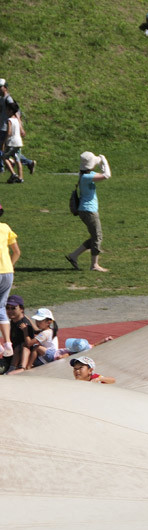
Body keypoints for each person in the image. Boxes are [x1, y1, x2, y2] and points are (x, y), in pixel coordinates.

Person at [65, 151, 111, 272]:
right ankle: (94, 265)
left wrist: (101, 164)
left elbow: (102, 174)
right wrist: (104, 162)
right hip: (88, 211)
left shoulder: (86, 174)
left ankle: (73, 255)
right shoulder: (86, 177)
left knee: (95, 236)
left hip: (87, 210)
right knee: (97, 237)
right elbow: (107, 176)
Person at [0, 80, 36, 177]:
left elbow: (16, 112)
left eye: (0, 87)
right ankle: (28, 162)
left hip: (5, 127)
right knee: (10, 150)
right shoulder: (2, 98)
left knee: (5, 149)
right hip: (2, 126)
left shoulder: (9, 99)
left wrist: (20, 127)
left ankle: (3, 166)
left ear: (5, 87)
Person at [0, 212, 20, 359]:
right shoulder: (5, 227)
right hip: (7, 272)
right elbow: (17, 252)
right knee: (1, 307)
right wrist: (10, 266)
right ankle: (7, 343)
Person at [1, 295, 33, 373]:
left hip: (17, 362)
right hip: (10, 358)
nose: (9, 310)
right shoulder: (13, 321)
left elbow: (27, 346)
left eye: (13, 308)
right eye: (7, 308)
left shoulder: (24, 325)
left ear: (21, 309)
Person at [2, 102, 24, 184]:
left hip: (12, 142)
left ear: (11, 111)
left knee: (4, 157)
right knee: (18, 160)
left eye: (7, 110)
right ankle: (21, 177)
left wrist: (4, 141)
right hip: (18, 142)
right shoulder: (17, 120)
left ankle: (13, 174)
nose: (6, 112)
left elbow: (9, 132)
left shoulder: (9, 120)